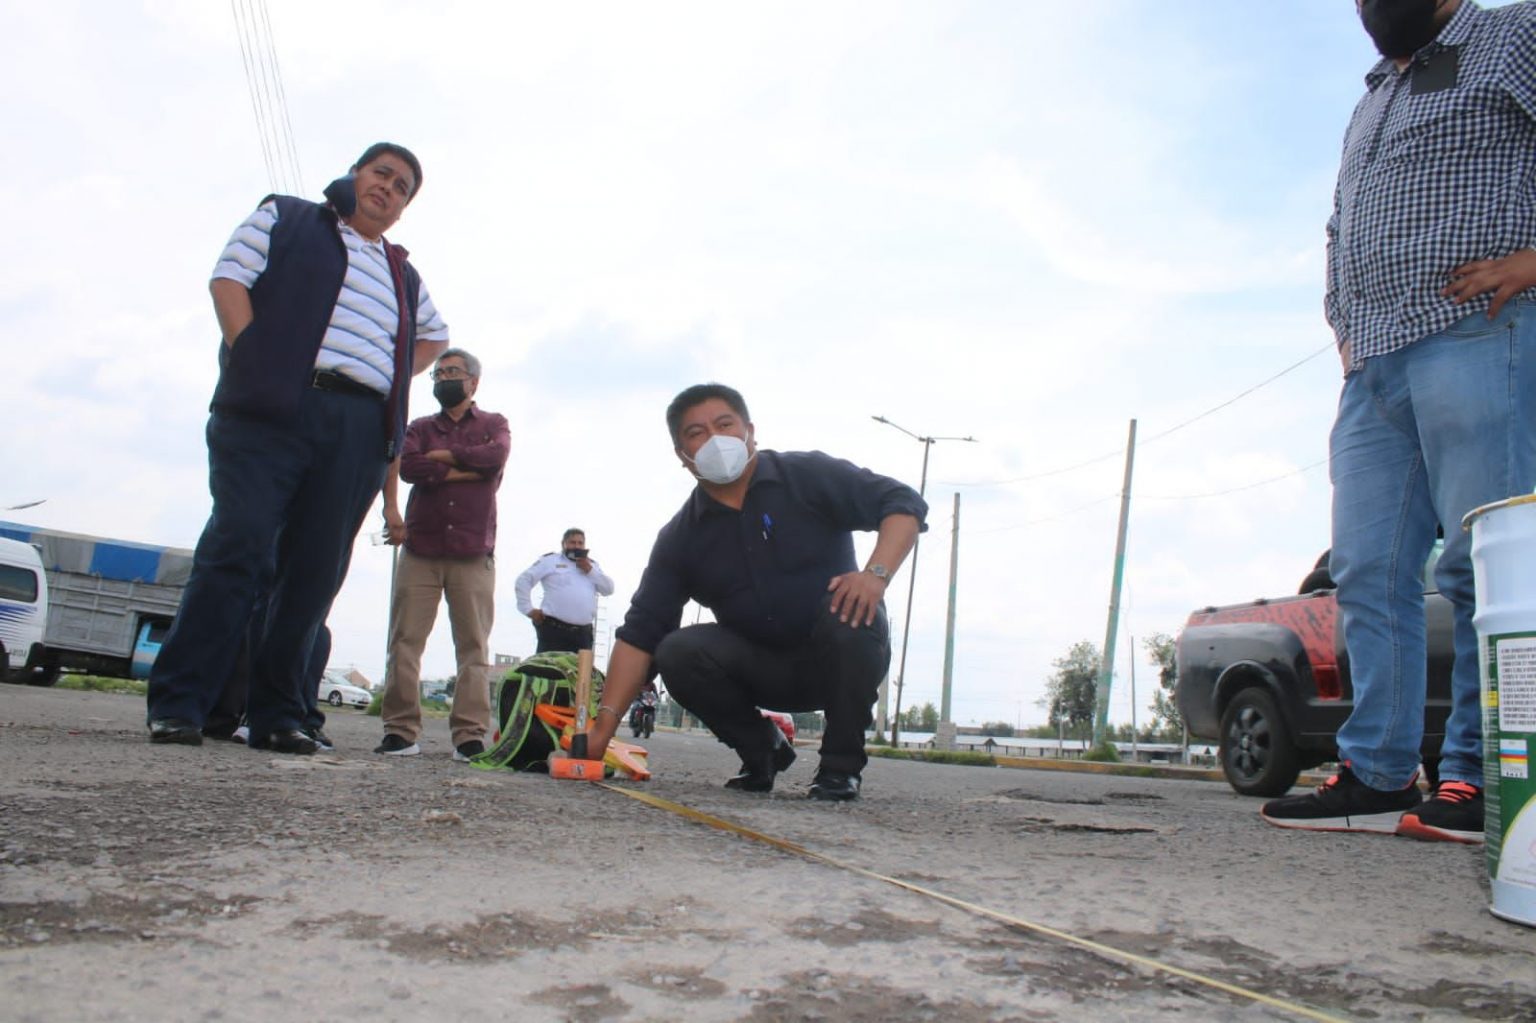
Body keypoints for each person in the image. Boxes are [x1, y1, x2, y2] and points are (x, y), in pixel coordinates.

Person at [1261, 0, 1536, 843]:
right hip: (1372, 367)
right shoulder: (1376, 90)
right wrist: (1341, 318)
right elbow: (1342, 220)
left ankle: (1477, 780)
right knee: (1369, 575)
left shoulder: (1514, 33)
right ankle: (1378, 770)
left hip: (1478, 335)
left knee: (1481, 567)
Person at [146, 142, 449, 755]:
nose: (388, 188)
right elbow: (229, 277)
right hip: (271, 407)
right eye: (381, 174)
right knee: (240, 546)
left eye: (402, 187)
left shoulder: (401, 271)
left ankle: (279, 714)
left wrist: (383, 376)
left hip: (358, 428)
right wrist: (255, 357)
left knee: (314, 573)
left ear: (403, 208)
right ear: (355, 175)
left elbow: (434, 339)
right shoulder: (286, 217)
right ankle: (182, 703)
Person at [583, 383, 926, 801]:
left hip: (842, 651)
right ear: (682, 455)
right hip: (760, 668)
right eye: (697, 432)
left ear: (749, 431)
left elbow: (902, 504)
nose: (714, 439)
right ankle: (762, 751)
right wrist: (601, 730)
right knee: (676, 651)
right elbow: (641, 634)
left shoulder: (807, 475)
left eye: (724, 424)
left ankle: (840, 768)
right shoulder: (680, 537)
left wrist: (874, 574)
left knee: (852, 609)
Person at [375, 348, 509, 760]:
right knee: (405, 641)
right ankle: (400, 730)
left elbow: (495, 457)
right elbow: (410, 467)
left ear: (473, 382)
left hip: (473, 550)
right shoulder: (420, 426)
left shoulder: (494, 423)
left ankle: (469, 735)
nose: (443, 379)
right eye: (438, 373)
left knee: (472, 647)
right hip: (422, 548)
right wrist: (467, 469)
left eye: (452, 372)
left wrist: (443, 459)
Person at [514, 529, 615, 652]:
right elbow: (523, 580)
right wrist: (528, 609)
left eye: (580, 543)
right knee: (549, 670)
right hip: (554, 630)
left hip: (583, 634)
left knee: (580, 671)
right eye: (572, 542)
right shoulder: (551, 560)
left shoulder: (592, 565)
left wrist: (590, 570)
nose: (576, 546)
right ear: (564, 544)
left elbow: (608, 589)